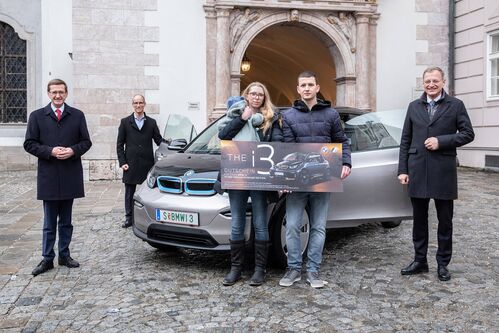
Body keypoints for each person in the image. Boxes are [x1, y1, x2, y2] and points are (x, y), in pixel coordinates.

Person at [398, 66, 474, 281]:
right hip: (417, 170)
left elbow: (468, 134)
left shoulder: (456, 105)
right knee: (419, 220)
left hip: (443, 171)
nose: (431, 84)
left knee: (445, 221)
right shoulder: (413, 107)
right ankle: (420, 261)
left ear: (443, 82)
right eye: (427, 81)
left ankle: (442, 263)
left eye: (435, 81)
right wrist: (402, 169)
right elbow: (405, 140)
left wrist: (442, 141)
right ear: (423, 84)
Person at [276, 71, 351, 289]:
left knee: (318, 226)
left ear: (317, 87)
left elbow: (342, 141)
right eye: (303, 85)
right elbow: (286, 149)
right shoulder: (288, 117)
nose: (307, 88)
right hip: (297, 182)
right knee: (291, 226)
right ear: (298, 89)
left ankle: (313, 270)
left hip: (322, 178)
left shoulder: (331, 115)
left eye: (310, 84)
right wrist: (284, 179)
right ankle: (293, 268)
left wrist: (346, 163)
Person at [24, 79, 92, 276]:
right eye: (54, 92)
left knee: (66, 221)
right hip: (49, 176)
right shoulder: (36, 116)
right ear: (48, 94)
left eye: (61, 92)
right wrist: (50, 151)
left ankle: (64, 255)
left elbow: (86, 142)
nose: (57, 95)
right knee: (49, 222)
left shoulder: (77, 115)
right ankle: (47, 259)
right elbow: (29, 143)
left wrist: (72, 150)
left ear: (66, 93)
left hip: (70, 174)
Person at [218, 82, 281, 286]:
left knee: (260, 223)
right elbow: (223, 135)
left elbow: (276, 145)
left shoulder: (270, 118)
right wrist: (242, 119)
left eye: (260, 95)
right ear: (246, 96)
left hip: (260, 176)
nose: (256, 97)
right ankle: (235, 268)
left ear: (264, 98)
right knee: (236, 222)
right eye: (252, 94)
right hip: (237, 173)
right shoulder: (234, 114)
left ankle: (259, 270)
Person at [116, 94, 162, 228]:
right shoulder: (125, 122)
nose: (138, 105)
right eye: (135, 103)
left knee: (149, 191)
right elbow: (119, 145)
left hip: (147, 163)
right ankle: (129, 218)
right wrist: (122, 162)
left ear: (144, 104)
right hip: (130, 163)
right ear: (132, 105)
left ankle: (147, 217)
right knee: (129, 192)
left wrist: (170, 145)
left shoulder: (151, 122)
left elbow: (158, 140)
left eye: (140, 103)